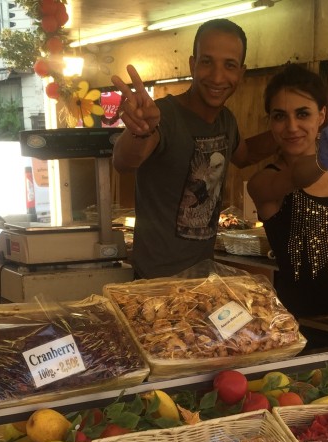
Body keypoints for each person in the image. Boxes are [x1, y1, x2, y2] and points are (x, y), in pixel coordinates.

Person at [110, 19, 275, 279]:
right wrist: (139, 132)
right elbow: (124, 162)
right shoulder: (164, 116)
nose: (218, 76)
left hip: (202, 279)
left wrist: (294, 130)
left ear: (241, 73)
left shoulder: (226, 121)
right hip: (155, 283)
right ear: (192, 64)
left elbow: (245, 155)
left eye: (229, 65)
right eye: (207, 62)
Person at [247, 64, 328, 327]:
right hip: (298, 326)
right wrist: (321, 161)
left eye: (302, 114)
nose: (291, 126)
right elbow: (295, 177)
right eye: (279, 116)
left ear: (321, 116)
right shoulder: (264, 182)